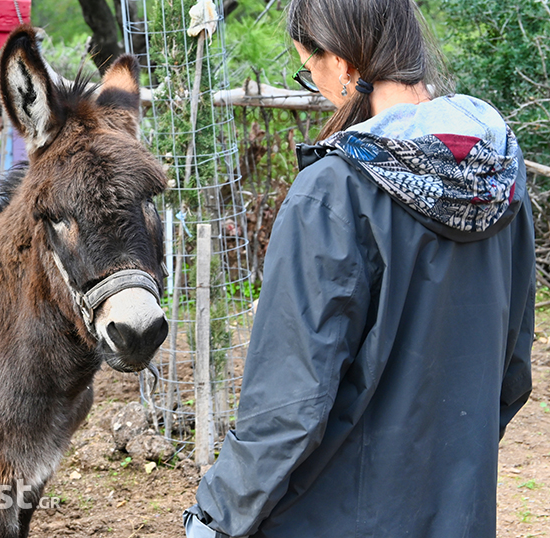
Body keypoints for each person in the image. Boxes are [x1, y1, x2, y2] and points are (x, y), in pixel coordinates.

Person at [183, 0, 535, 536]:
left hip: (333, 514)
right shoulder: (500, 173)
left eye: (311, 68)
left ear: (344, 62)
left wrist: (216, 515)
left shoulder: (333, 192)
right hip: (459, 510)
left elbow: (289, 402)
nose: (315, 85)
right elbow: (512, 369)